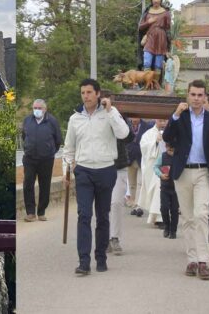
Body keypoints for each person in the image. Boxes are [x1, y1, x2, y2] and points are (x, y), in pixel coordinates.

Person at [163, 79, 209, 281]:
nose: (197, 99)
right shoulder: (179, 117)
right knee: (188, 218)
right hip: (182, 172)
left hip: (203, 172)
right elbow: (167, 137)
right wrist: (174, 114)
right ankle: (191, 259)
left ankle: (203, 261)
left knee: (202, 214)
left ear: (205, 97)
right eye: (193, 94)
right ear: (188, 96)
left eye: (200, 95)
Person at [62, 79, 128, 275]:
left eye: (89, 92)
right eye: (83, 92)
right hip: (83, 171)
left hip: (106, 170)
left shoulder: (109, 114)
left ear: (98, 94)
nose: (86, 96)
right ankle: (84, 261)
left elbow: (123, 133)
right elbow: (69, 148)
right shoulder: (75, 118)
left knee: (102, 216)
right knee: (84, 215)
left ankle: (101, 257)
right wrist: (67, 169)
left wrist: (111, 111)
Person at [21, 99, 62, 222]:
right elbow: (24, 136)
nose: (37, 110)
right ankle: (30, 213)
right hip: (29, 158)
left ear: (45, 109)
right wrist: (28, 149)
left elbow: (58, 140)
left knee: (45, 185)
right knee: (28, 183)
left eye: (39, 108)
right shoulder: (27, 120)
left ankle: (41, 212)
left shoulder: (52, 121)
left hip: (46, 159)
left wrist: (50, 151)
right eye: (35, 108)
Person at [108, 117, 136, 255]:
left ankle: (115, 237)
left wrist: (118, 120)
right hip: (101, 166)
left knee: (116, 203)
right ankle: (105, 238)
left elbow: (129, 137)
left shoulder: (120, 118)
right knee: (103, 205)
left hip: (119, 167)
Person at [138, 119, 166, 227]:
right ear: (156, 120)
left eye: (165, 121)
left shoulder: (170, 131)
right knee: (157, 190)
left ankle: (160, 217)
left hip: (167, 165)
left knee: (161, 190)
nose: (163, 123)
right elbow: (143, 148)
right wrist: (155, 142)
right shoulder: (148, 133)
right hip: (153, 167)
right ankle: (158, 217)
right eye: (161, 121)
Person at [138, 0, 171, 73]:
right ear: (151, 0)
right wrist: (148, 22)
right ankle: (147, 84)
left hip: (161, 39)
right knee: (147, 62)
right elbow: (140, 27)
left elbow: (168, 28)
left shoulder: (166, 13)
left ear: (161, 0)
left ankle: (156, 84)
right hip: (150, 38)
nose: (156, 0)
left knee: (158, 64)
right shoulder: (147, 13)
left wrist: (170, 41)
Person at [126, 117, 153, 214]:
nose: (134, 119)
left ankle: (138, 204)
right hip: (130, 158)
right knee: (132, 183)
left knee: (140, 183)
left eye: (136, 117)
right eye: (132, 117)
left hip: (142, 158)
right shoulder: (127, 125)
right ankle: (133, 202)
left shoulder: (147, 126)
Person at [154, 142, 179, 239]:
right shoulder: (163, 156)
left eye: (173, 150)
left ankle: (173, 230)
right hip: (165, 187)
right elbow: (155, 167)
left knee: (174, 210)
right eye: (169, 150)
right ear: (166, 147)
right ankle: (166, 227)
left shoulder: (178, 157)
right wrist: (160, 174)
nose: (171, 152)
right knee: (164, 208)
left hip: (176, 188)